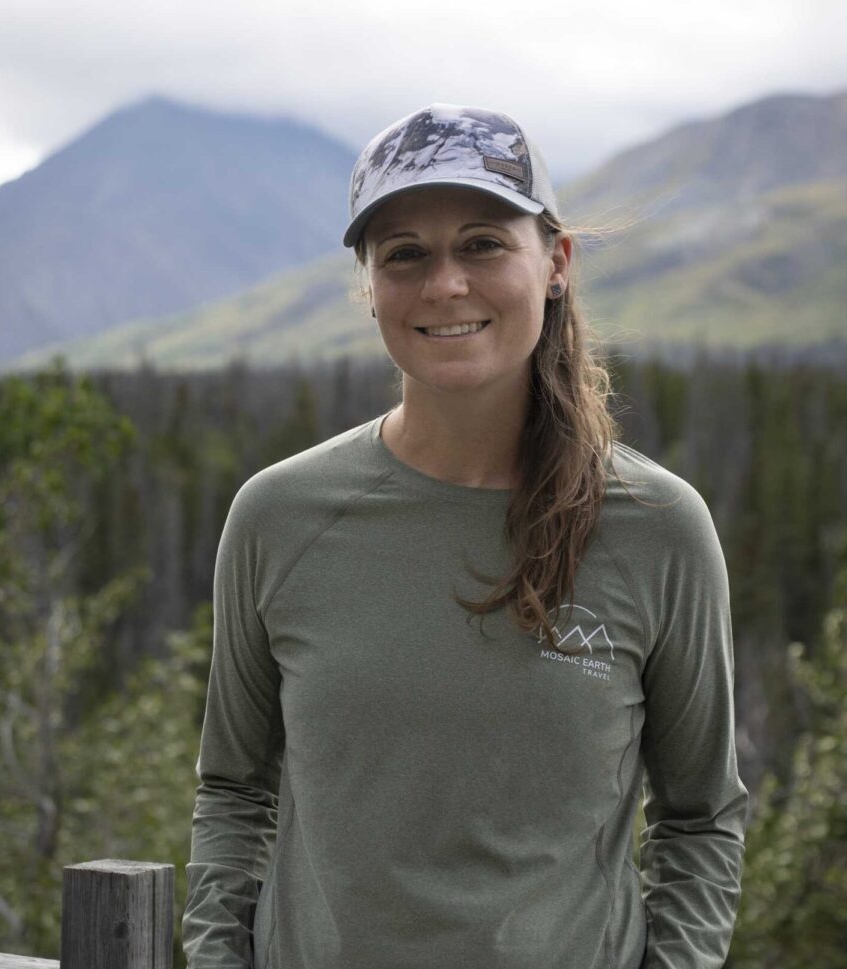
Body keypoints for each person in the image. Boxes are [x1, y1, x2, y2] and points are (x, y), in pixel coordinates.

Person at [182, 103, 748, 969]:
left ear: (555, 263)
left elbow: (702, 814)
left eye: (483, 243)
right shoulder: (279, 516)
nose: (444, 283)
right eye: (404, 254)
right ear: (367, 285)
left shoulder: (659, 528)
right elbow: (232, 788)